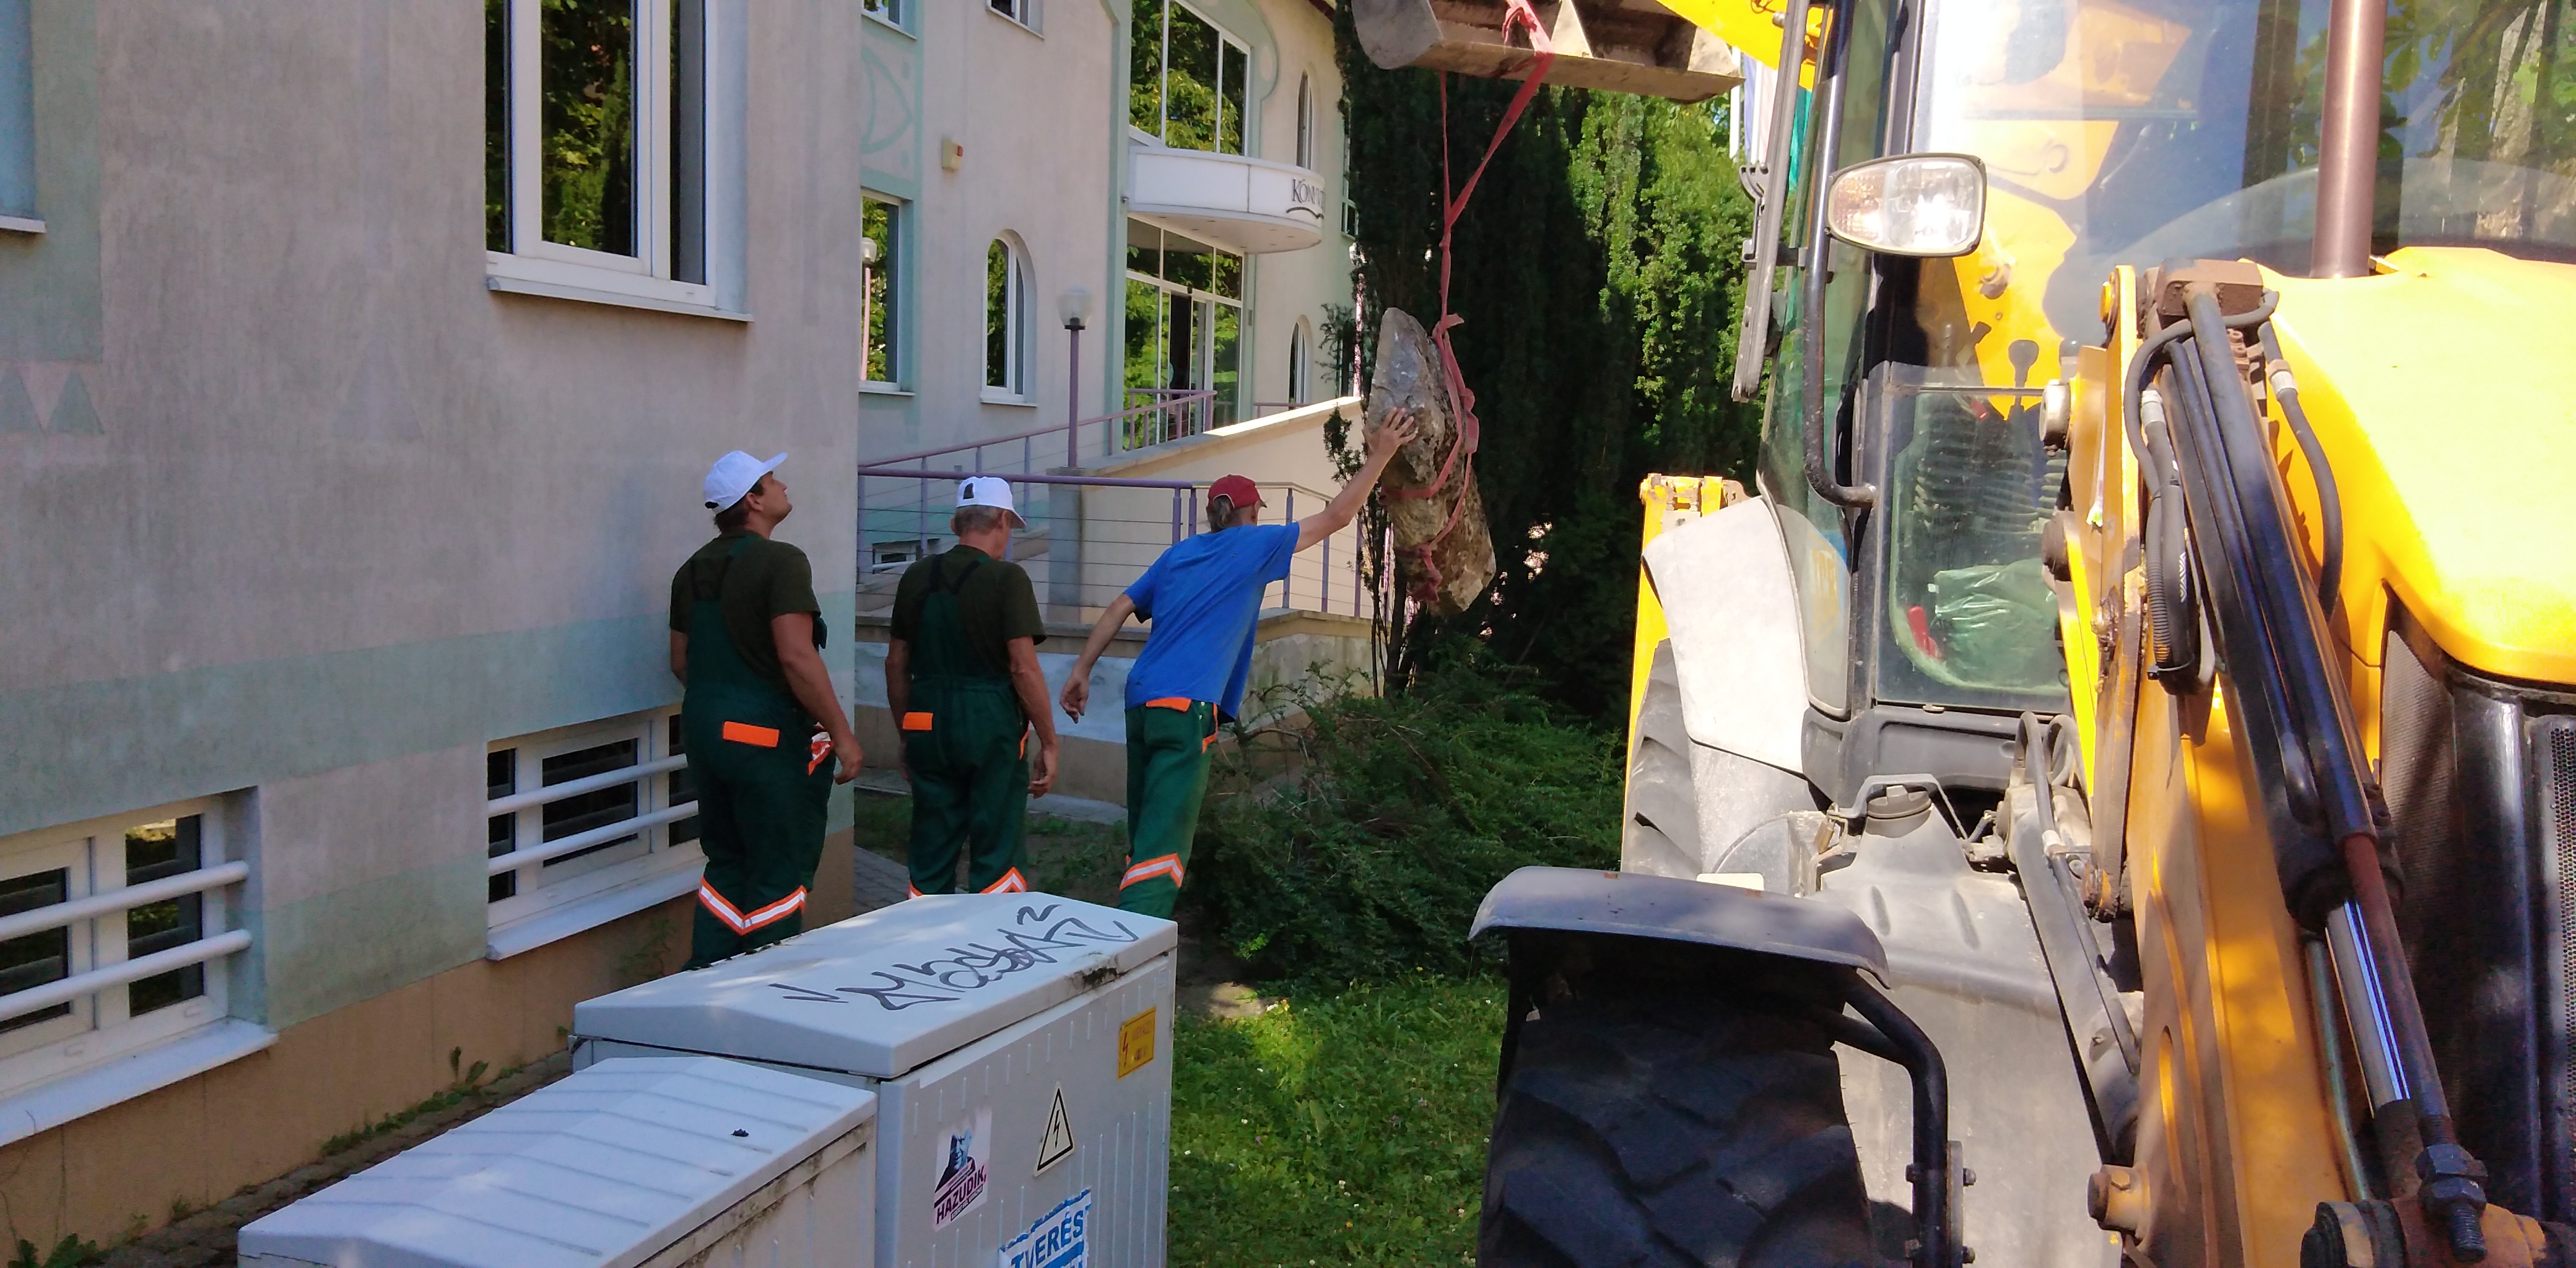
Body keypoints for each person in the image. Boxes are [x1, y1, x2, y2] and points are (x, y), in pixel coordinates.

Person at [1059, 411, 1421, 918]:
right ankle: (1134, 941)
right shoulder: (1256, 544)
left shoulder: (1178, 554)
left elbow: (1121, 606)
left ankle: (1127, 923)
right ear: (1251, 513)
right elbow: (1338, 516)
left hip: (1141, 702)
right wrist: (1381, 453)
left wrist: (1080, 670)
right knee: (1165, 845)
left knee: (1145, 830)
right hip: (1185, 705)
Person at [669, 451, 861, 968]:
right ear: (753, 500)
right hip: (765, 736)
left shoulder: (691, 570)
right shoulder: (782, 561)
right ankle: (766, 987)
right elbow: (797, 657)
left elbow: (680, 660)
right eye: (772, 480)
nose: (784, 486)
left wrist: (723, 705)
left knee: (728, 859)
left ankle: (706, 979)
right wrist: (843, 735)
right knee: (779, 867)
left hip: (703, 730)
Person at [886, 477, 1060, 897]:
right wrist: (1050, 741)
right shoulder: (1007, 579)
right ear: (1001, 520)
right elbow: (1022, 668)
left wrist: (908, 734)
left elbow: (896, 663)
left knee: (931, 848)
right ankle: (992, 932)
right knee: (996, 847)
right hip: (989, 722)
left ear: (955, 524)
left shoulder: (916, 575)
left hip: (926, 720)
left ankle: (923, 929)